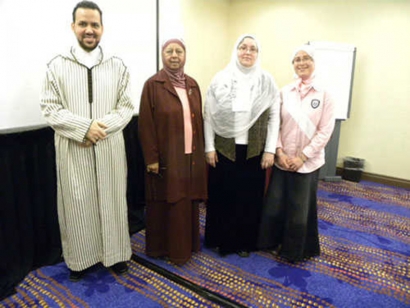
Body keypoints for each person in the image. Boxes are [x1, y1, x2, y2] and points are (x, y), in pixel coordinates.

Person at [40, 1, 133, 281]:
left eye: (94, 24)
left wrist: (98, 130)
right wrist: (83, 128)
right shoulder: (57, 66)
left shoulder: (117, 65)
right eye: (83, 24)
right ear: (73, 27)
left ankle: (116, 255)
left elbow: (126, 107)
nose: (89, 30)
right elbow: (50, 107)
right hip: (74, 148)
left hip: (109, 147)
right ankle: (80, 260)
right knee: (77, 204)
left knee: (113, 200)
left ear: (102, 28)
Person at [204, 34, 280, 257]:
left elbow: (274, 117)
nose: (247, 52)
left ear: (258, 53)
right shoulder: (221, 78)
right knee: (223, 196)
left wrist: (270, 149)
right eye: (243, 47)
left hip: (254, 151)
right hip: (224, 150)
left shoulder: (267, 81)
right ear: (236, 51)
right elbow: (208, 115)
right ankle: (221, 240)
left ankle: (244, 242)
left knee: (249, 199)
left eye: (253, 49)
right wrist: (209, 147)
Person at [258, 45, 336, 263]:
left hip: (307, 163)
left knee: (299, 209)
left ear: (314, 62)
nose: (301, 63)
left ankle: (294, 251)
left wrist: (303, 156)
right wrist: (279, 152)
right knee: (275, 204)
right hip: (283, 160)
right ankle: (271, 242)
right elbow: (276, 125)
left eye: (306, 58)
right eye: (297, 59)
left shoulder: (325, 93)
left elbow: (325, 131)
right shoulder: (284, 92)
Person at [138, 38, 207, 265]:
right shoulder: (153, 85)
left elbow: (199, 121)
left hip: (191, 156)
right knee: (170, 202)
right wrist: (152, 158)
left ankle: (189, 245)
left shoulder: (193, 85)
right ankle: (168, 250)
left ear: (185, 55)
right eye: (170, 51)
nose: (175, 55)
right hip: (168, 157)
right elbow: (146, 125)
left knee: (188, 202)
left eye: (179, 51)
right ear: (163, 55)